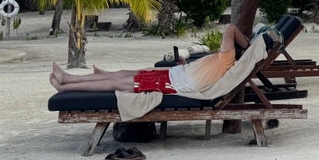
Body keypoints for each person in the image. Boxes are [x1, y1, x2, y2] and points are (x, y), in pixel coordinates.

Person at [49, 24, 251, 94]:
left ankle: (66, 85)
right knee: (120, 74)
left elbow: (231, 28)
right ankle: (69, 78)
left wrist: (247, 44)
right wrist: (186, 64)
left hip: (172, 84)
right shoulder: (221, 61)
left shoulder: (226, 61)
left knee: (117, 83)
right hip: (175, 75)